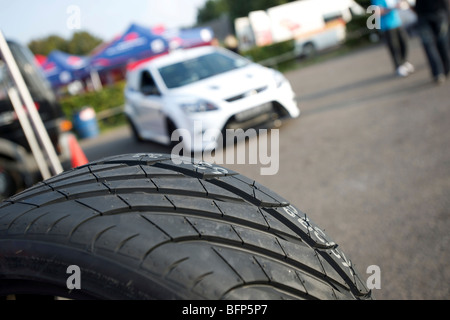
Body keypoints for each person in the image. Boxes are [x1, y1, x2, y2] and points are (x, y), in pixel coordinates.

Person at [371, 0, 414, 77]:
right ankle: (398, 66)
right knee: (394, 47)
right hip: (387, 26)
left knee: (404, 42)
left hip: (397, 23)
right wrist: (392, 8)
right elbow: (377, 12)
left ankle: (404, 61)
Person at [413, 0, 450, 84]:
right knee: (432, 44)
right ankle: (440, 71)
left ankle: (442, 71)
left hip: (435, 13)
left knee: (440, 43)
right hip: (427, 15)